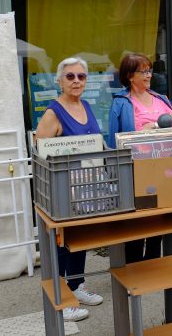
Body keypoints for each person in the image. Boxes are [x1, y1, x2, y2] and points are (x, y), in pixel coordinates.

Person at [35, 57, 104, 323]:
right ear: (60, 81)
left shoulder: (85, 105)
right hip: (64, 189)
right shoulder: (54, 112)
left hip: (87, 186)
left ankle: (77, 286)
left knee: (80, 239)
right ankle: (62, 300)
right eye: (70, 76)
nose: (76, 81)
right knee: (63, 243)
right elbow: (41, 152)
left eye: (81, 77)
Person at [107, 52, 172, 263]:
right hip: (136, 172)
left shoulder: (162, 99)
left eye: (150, 70)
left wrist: (159, 128)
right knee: (137, 221)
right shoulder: (121, 103)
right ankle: (133, 267)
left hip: (165, 169)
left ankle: (152, 262)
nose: (149, 75)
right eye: (144, 71)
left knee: (158, 219)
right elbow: (114, 141)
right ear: (130, 75)